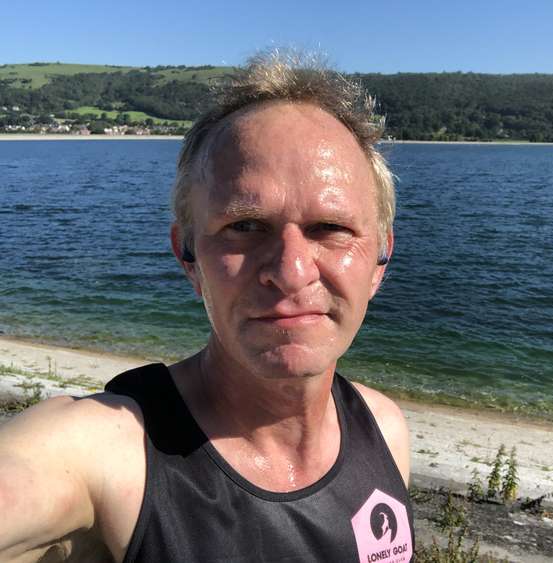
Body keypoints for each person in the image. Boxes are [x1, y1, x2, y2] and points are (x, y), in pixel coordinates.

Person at [0, 51, 413, 563]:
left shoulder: (384, 430)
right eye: (244, 226)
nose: (291, 270)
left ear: (380, 259)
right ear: (188, 257)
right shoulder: (111, 454)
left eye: (330, 228)